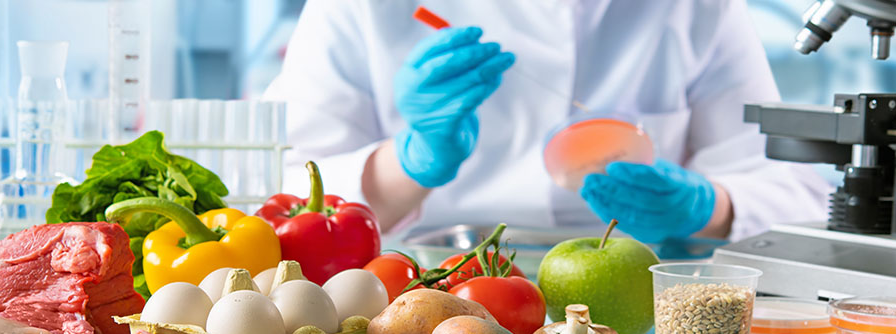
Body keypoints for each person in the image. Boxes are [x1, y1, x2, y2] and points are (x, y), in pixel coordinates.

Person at [266, 0, 831, 243]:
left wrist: (710, 207)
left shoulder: (694, 7)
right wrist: (407, 163)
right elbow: (278, 197)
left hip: (639, 301)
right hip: (418, 295)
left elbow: (796, 188)